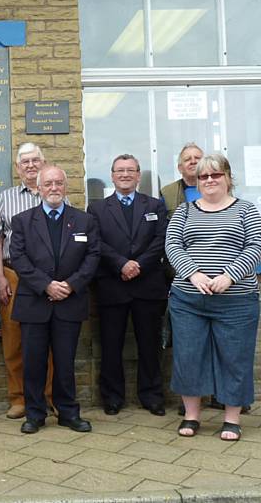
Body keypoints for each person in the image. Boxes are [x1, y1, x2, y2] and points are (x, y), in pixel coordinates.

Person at [166, 154, 261, 441]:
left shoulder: (247, 210)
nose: (209, 180)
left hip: (236, 300)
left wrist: (229, 276)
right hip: (188, 300)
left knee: (235, 358)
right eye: (203, 176)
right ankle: (191, 415)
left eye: (215, 175)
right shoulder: (185, 211)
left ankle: (231, 419)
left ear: (228, 177)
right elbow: (172, 245)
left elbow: (255, 246)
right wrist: (193, 274)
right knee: (188, 356)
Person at [10, 165, 100, 434]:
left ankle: (68, 413)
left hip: (69, 302)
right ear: (38, 188)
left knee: (65, 362)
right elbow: (19, 259)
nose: (53, 188)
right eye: (48, 183)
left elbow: (92, 257)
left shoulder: (84, 221)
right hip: (34, 302)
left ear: (66, 186)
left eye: (58, 183)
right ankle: (35, 414)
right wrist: (46, 285)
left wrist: (71, 285)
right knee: (33, 361)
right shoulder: (23, 220)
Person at [88, 154, 167, 416]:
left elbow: (161, 240)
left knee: (149, 344)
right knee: (111, 345)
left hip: (148, 285)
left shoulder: (155, 205)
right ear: (112, 175)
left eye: (130, 170)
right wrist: (122, 263)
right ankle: (112, 396)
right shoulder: (97, 208)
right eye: (119, 170)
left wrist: (138, 265)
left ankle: (152, 395)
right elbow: (96, 243)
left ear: (138, 175)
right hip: (113, 284)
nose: (125, 174)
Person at [0, 143, 54, 419]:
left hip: (49, 279)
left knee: (49, 342)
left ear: (44, 162)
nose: (30, 165)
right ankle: (19, 398)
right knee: (14, 341)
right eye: (24, 162)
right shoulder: (8, 197)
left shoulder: (55, 192)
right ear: (17, 168)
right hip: (14, 276)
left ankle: (48, 397)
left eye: (35, 160)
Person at [160, 142, 203, 219]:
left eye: (197, 158)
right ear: (180, 168)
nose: (193, 161)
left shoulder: (221, 189)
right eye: (187, 159)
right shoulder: (167, 193)